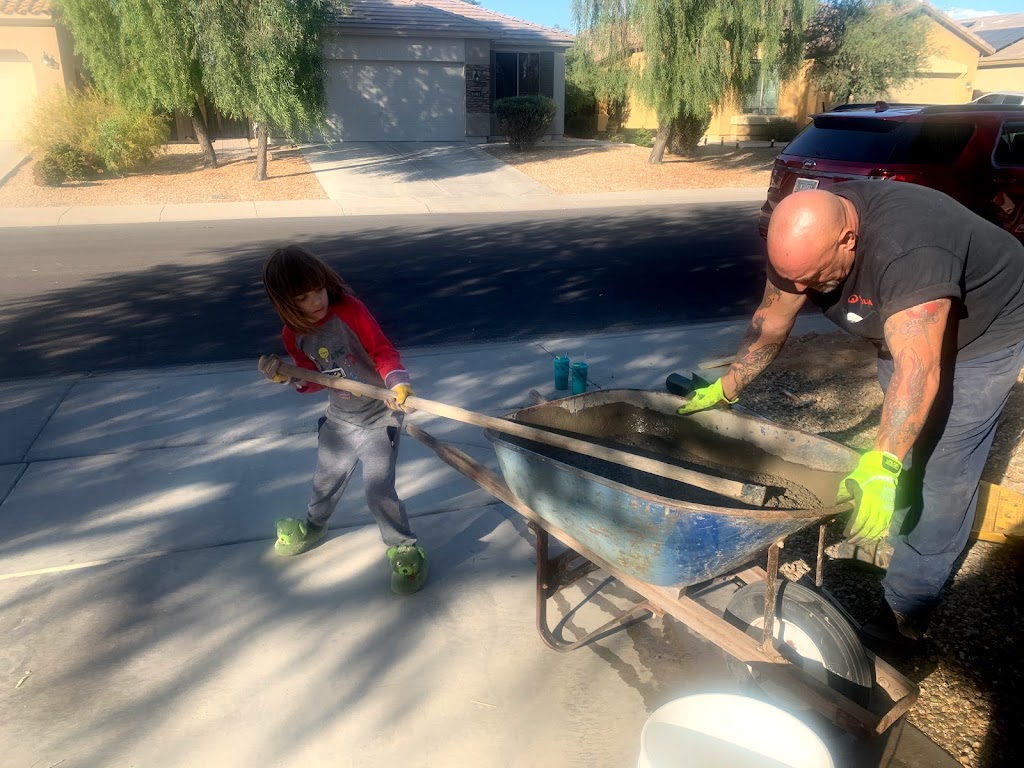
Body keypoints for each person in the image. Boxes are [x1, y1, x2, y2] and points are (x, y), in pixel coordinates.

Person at [678, 182, 1024, 648]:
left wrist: (883, 463)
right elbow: (772, 322)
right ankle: (894, 532)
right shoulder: (801, 247)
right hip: (905, 328)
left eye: (814, 278)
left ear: (848, 240)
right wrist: (727, 386)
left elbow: (918, 369)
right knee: (905, 440)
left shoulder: (910, 249)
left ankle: (907, 606)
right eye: (795, 280)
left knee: (945, 470)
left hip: (985, 332)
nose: (803, 290)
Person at [258, 245, 427, 594]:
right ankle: (314, 526)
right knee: (325, 481)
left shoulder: (350, 310)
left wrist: (398, 383)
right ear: (286, 303)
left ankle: (404, 547)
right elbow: (312, 378)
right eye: (303, 297)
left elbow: (382, 350)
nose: (315, 301)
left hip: (381, 415)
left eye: (318, 290)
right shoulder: (294, 334)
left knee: (377, 488)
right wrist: (289, 377)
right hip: (340, 419)